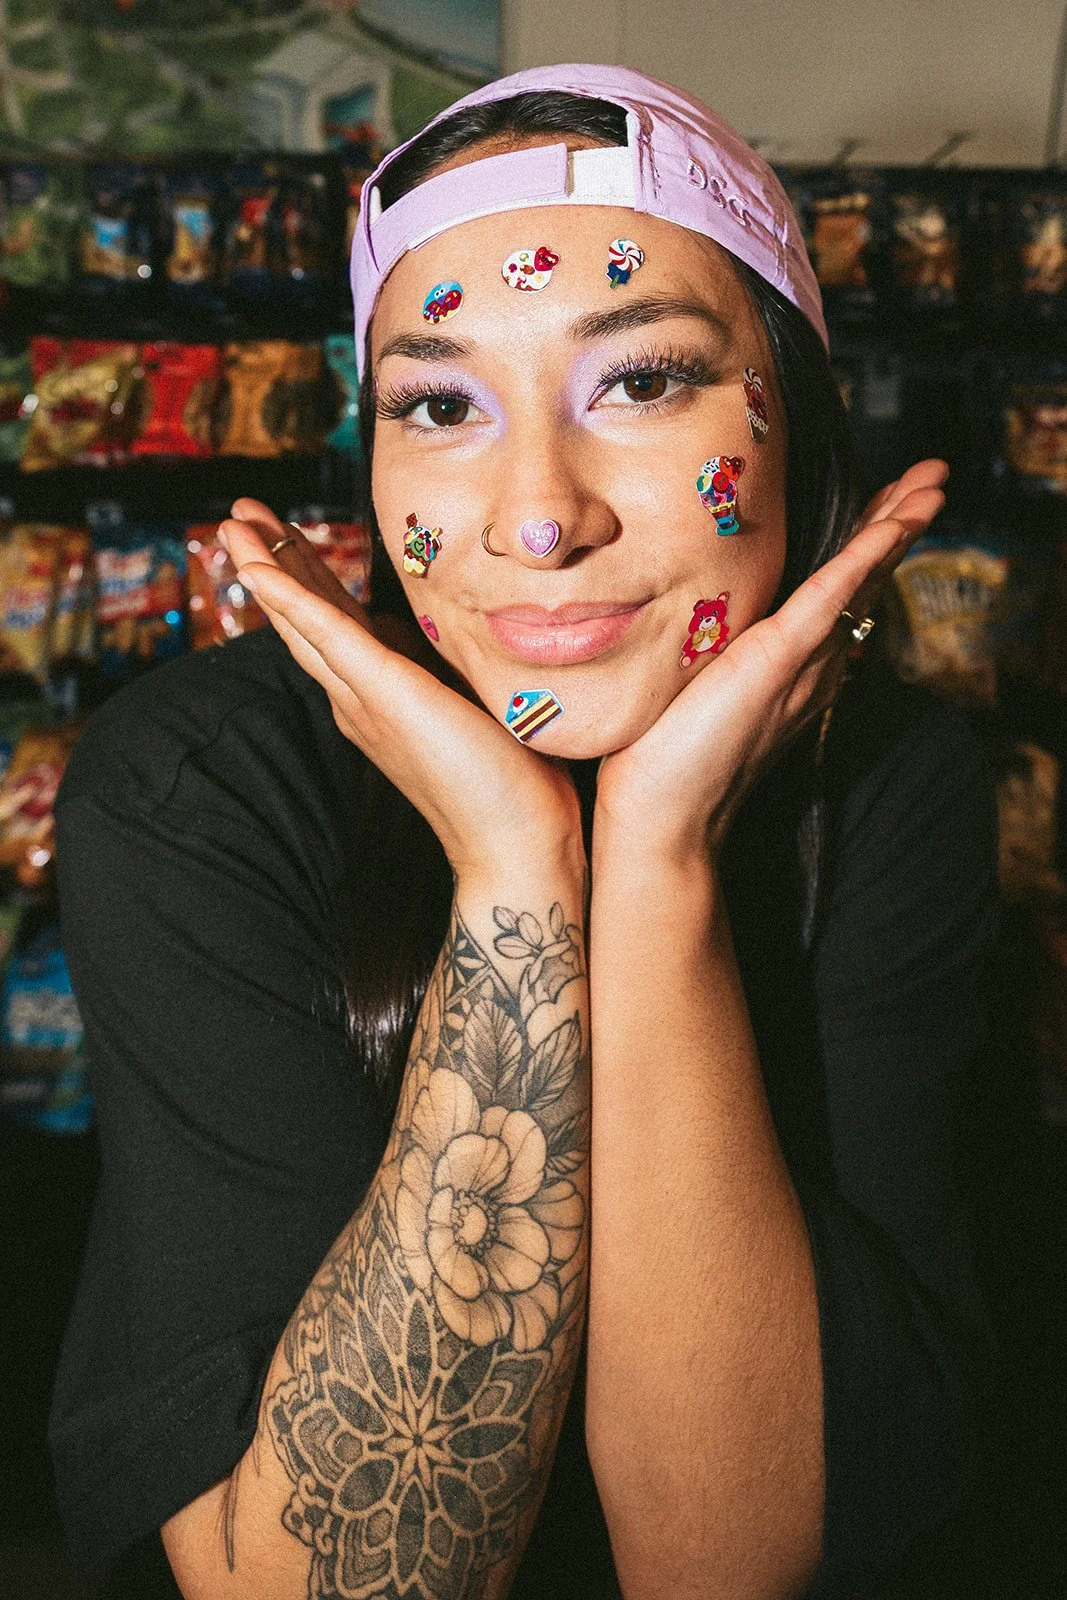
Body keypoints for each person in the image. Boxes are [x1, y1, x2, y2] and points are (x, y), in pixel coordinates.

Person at [49, 65, 999, 1600]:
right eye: (438, 405)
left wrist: (656, 868)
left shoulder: (891, 788)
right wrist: (513, 875)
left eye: (638, 383)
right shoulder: (203, 784)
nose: (537, 519)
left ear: (796, 421)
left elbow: (721, 1563)